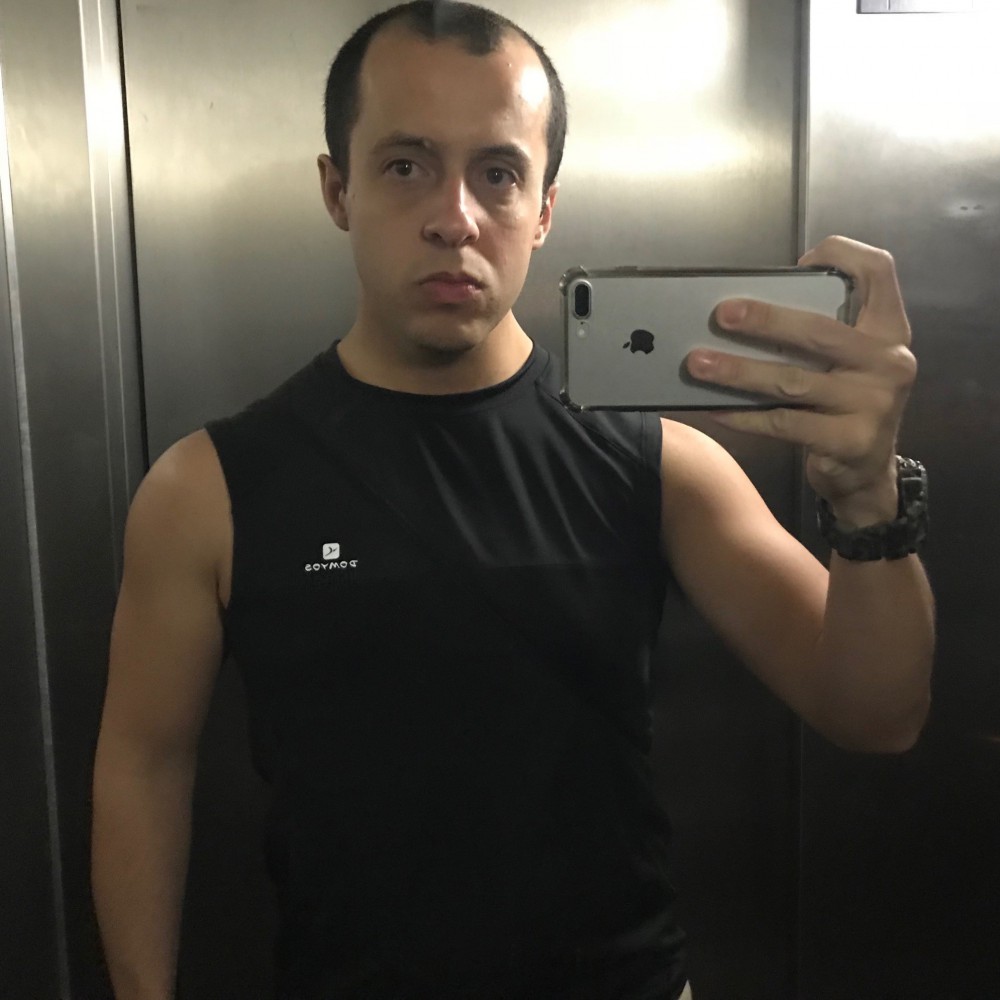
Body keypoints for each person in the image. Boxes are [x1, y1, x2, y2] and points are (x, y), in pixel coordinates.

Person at [90, 2, 935, 998]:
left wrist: (868, 497)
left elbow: (875, 713)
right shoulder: (209, 489)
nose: (454, 217)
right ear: (337, 188)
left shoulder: (662, 465)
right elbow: (142, 767)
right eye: (406, 164)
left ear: (543, 209)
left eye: (497, 173)